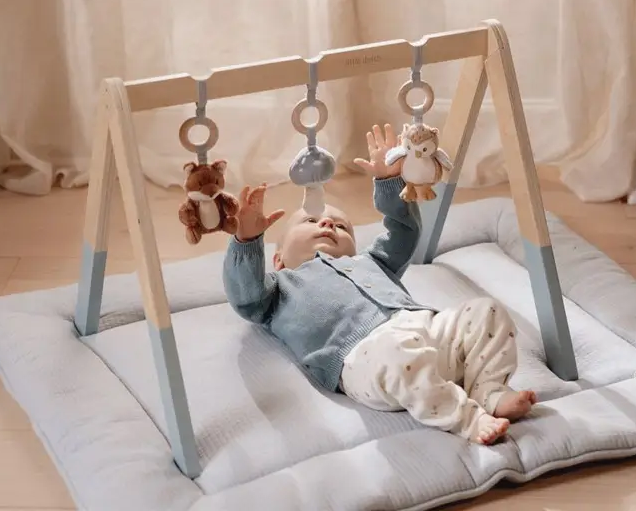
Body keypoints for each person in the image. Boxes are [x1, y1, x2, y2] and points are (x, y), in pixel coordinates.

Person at [223, 123, 537, 444]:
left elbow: (404, 233)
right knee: (399, 355)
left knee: (486, 312)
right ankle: (468, 418)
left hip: (428, 331)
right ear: (278, 260)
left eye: (342, 227)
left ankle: (489, 390)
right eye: (311, 221)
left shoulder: (371, 262)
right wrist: (247, 242)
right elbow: (245, 297)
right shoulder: (279, 289)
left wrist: (389, 183)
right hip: (368, 359)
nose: (328, 223)